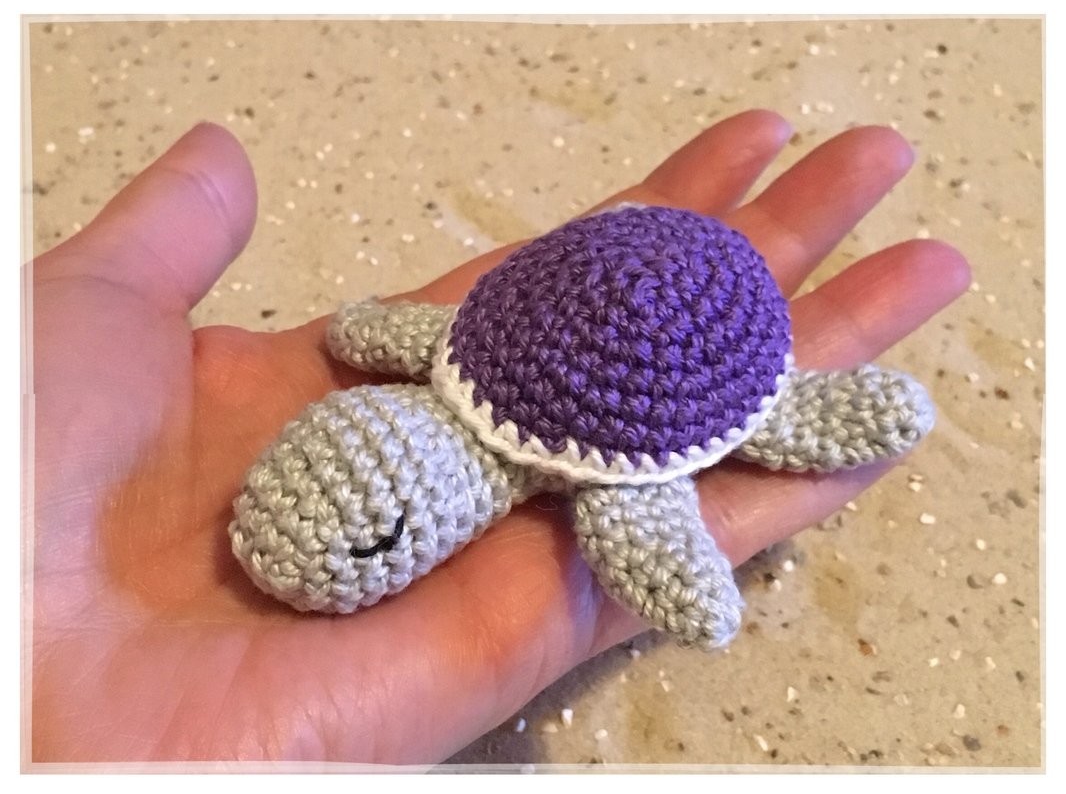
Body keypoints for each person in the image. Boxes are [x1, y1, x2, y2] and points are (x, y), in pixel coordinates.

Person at [28, 110, 971, 763]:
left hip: (690, 340)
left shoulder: (615, 472)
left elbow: (657, 542)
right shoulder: (442, 344)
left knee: (817, 425)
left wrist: (696, 589)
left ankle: (825, 408)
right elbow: (364, 330)